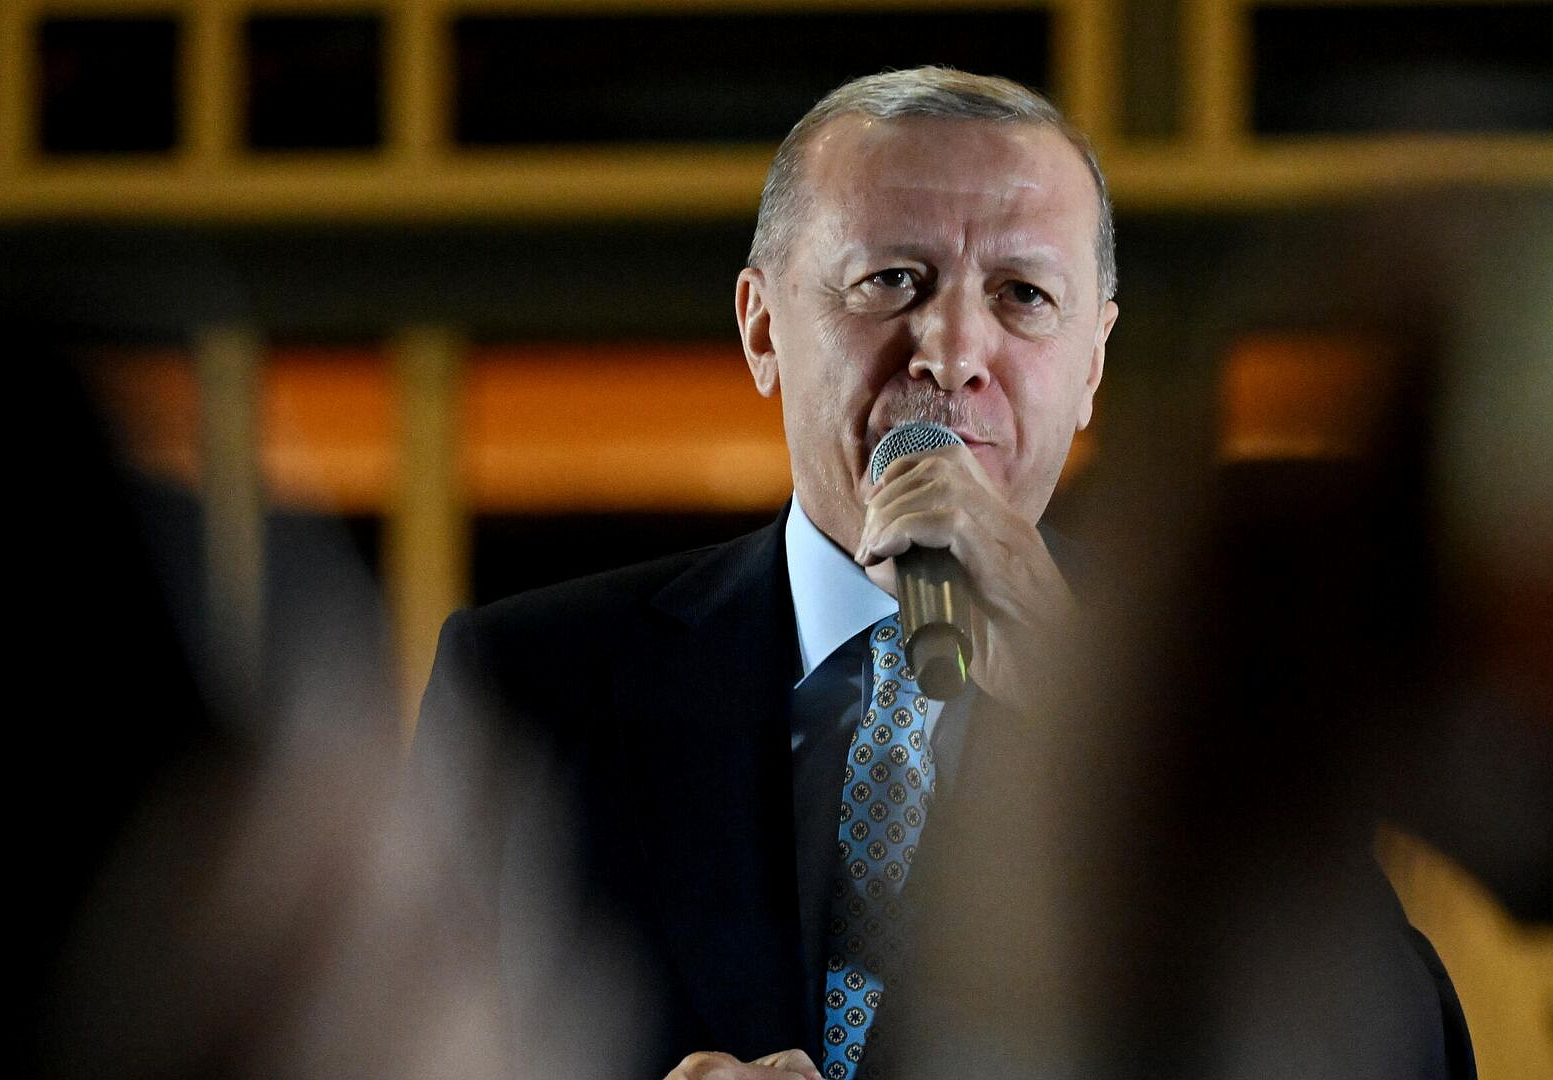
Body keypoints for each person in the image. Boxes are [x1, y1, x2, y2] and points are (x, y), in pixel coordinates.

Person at [417, 67, 1473, 1080]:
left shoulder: (1214, 694)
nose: (953, 351)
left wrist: (1091, 706)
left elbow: (1409, 1053)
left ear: (1093, 363)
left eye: (1022, 294)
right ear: (761, 327)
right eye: (891, 281)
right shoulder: (526, 684)